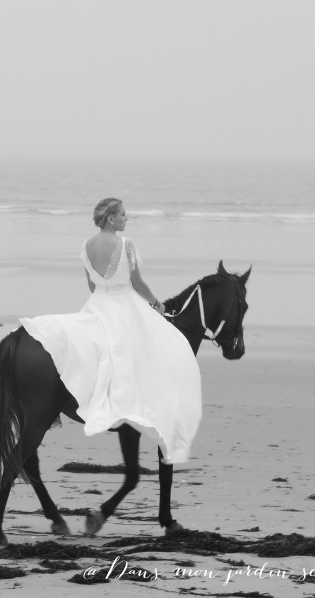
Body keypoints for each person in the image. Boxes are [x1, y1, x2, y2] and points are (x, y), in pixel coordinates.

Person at [20, 198, 202, 464]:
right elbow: (138, 284)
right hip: (124, 304)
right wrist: (157, 305)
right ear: (110, 218)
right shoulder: (126, 245)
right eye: (123, 215)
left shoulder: (86, 245)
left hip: (97, 304)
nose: (127, 219)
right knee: (156, 347)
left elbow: (92, 286)